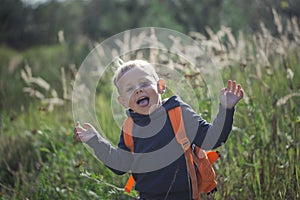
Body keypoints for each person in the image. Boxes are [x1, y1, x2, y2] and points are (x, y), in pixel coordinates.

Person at [74, 60, 244, 200]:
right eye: (130, 88)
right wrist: (94, 141)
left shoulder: (178, 112)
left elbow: (212, 139)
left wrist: (226, 109)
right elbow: (121, 165)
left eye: (144, 83)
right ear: (123, 101)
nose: (138, 89)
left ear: (160, 87)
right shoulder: (129, 127)